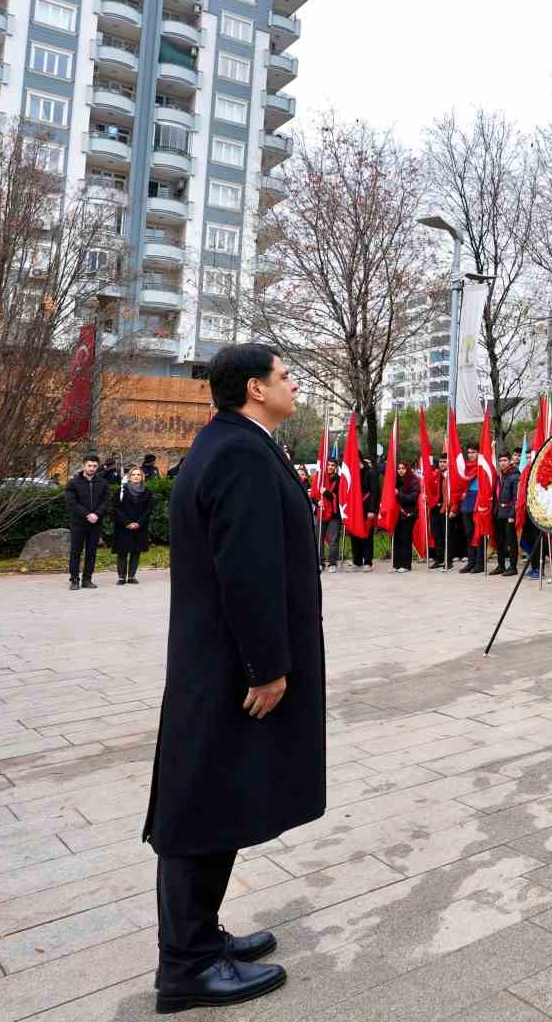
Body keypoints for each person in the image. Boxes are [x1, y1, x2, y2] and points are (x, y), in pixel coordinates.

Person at [142, 343, 321, 1012]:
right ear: (254, 387)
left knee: (213, 800)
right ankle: (186, 964)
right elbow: (247, 568)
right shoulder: (241, 452)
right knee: (204, 808)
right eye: (284, 375)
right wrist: (267, 665)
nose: (293, 382)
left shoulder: (230, 442)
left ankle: (200, 938)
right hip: (228, 667)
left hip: (216, 661)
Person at [63, 454, 109, 590]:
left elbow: (105, 501)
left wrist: (97, 514)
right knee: (75, 552)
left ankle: (87, 579)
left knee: (91, 552)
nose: (92, 468)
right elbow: (72, 503)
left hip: (95, 523)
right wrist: (87, 514)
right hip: (78, 523)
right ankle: (74, 579)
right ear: (84, 465)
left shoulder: (102, 482)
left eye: (95, 466)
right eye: (89, 465)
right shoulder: (73, 482)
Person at [111, 466, 154, 585]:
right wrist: (127, 523)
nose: (136, 476)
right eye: (134, 474)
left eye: (138, 474)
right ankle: (121, 577)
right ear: (129, 477)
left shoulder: (147, 491)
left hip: (140, 526)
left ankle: (131, 576)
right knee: (122, 552)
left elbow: (149, 509)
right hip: (123, 526)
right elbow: (116, 508)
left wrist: (139, 523)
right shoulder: (121, 490)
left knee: (136, 552)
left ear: (142, 477)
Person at [492, 452, 519, 574]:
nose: (502, 463)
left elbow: (516, 498)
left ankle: (513, 567)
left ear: (510, 461)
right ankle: (501, 565)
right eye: (500, 461)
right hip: (499, 513)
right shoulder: (500, 476)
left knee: (511, 541)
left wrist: (512, 514)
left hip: (509, 513)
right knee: (500, 541)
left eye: (505, 460)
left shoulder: (515, 476)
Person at [348, 457, 377, 572]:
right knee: (354, 535)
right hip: (354, 510)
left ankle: (368, 562)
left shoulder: (371, 473)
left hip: (366, 510)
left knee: (367, 536)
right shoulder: (352, 474)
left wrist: (372, 510)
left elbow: (374, 492)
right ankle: (357, 561)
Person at [458, 444, 482, 573]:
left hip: (479, 502)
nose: (471, 455)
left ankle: (479, 563)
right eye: (469, 452)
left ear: (478, 453)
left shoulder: (482, 466)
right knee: (469, 534)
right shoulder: (465, 468)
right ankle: (471, 561)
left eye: (473, 452)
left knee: (479, 534)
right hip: (467, 502)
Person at [392, 462, 419, 572]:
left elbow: (412, 498)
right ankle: (397, 564)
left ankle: (406, 565)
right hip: (397, 514)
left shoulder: (414, 481)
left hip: (408, 514)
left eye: (403, 468)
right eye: (399, 468)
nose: (401, 470)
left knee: (405, 539)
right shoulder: (395, 481)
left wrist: (399, 494)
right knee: (397, 538)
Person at [317, 459, 342, 571]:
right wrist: (317, 502)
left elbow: (339, 497)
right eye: (328, 465)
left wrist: (326, 492)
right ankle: (320, 562)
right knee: (319, 538)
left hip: (334, 515)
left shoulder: (339, 480)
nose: (330, 467)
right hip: (322, 512)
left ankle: (332, 563)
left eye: (332, 465)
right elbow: (313, 494)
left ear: (336, 467)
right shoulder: (320, 479)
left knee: (333, 539)